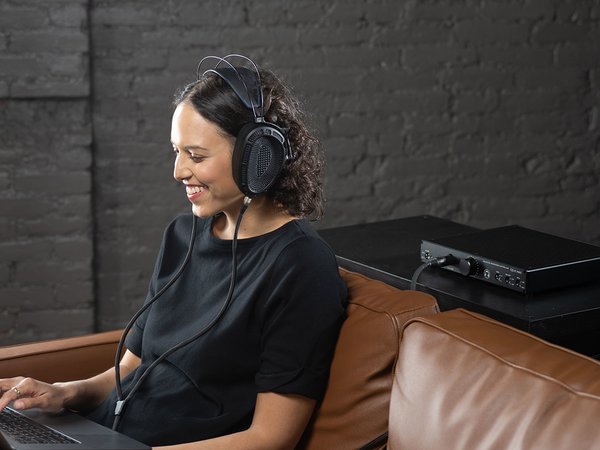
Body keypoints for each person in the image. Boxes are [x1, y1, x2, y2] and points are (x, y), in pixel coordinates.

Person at [0, 55, 348, 449]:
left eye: (196, 156)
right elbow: (133, 368)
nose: (178, 171)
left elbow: (271, 437)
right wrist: (64, 393)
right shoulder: (182, 235)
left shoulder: (301, 266)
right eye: (176, 151)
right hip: (99, 436)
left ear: (258, 157)